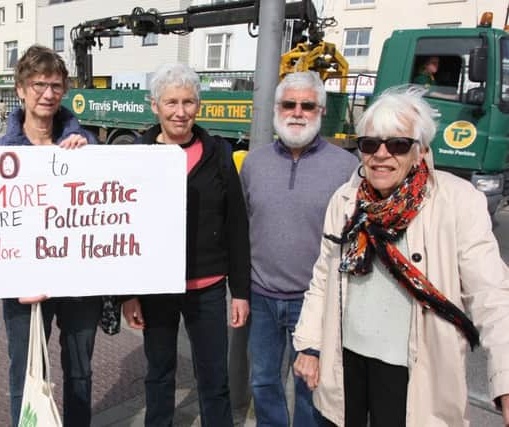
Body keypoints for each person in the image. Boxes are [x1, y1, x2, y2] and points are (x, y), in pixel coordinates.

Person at [292, 86, 509, 427]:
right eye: (369, 144)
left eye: (397, 144)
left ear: (420, 150)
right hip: (346, 363)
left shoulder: (458, 201)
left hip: (414, 372)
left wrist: (505, 378)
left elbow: (492, 294)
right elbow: (324, 276)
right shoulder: (346, 200)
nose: (381, 154)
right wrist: (308, 344)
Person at [122, 63, 251, 427]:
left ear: (199, 105)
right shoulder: (136, 155)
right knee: (159, 373)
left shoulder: (220, 154)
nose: (181, 112)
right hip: (155, 287)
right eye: (172, 102)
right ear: (154, 106)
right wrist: (127, 295)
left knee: (213, 378)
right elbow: (123, 229)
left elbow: (237, 226)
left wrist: (239, 292)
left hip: (208, 287)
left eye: (189, 102)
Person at [239, 71, 357, 426]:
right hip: (261, 298)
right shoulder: (254, 163)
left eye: (307, 105)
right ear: (276, 109)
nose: (297, 112)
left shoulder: (347, 167)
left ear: (321, 111)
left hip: (315, 302)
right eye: (289, 104)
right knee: (263, 382)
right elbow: (243, 226)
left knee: (311, 389)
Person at [0, 44, 101, 427]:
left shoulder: (85, 145)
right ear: (21, 89)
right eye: (38, 84)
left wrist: (88, 154)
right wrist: (14, 280)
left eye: (56, 85)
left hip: (78, 285)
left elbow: (107, 211)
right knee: (25, 373)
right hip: (25, 289)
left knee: (79, 372)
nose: (48, 93)